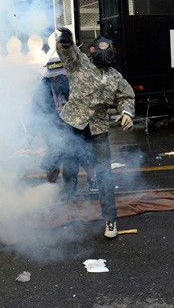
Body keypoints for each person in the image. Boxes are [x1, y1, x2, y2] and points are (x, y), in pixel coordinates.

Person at [55, 27, 135, 239]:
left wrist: (126, 112)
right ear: (92, 49)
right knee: (69, 169)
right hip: (74, 125)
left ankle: (110, 220)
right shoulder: (80, 64)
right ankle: (66, 213)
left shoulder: (115, 77)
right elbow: (68, 54)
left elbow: (126, 97)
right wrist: (65, 41)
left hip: (98, 128)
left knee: (104, 175)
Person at [32, 58, 98, 192]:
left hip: (76, 128)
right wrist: (32, 133)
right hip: (54, 130)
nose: (56, 79)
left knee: (84, 154)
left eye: (59, 76)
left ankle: (92, 181)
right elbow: (37, 111)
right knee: (52, 161)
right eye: (53, 77)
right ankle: (49, 189)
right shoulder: (42, 89)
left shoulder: (74, 84)